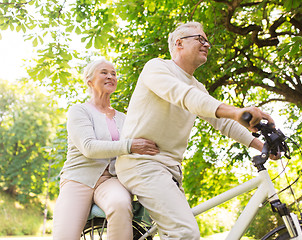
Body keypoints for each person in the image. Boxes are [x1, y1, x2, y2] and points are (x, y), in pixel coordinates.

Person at [115, 22, 277, 240]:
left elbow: (223, 122)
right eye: (200, 39)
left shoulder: (198, 87)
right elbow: (184, 96)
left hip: (169, 169)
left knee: (181, 230)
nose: (207, 44)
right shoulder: (157, 67)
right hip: (141, 164)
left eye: (207, 40)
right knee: (185, 233)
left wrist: (262, 145)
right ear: (179, 43)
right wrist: (237, 111)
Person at [53, 58, 159, 240]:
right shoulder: (79, 111)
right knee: (65, 235)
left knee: (120, 204)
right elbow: (89, 147)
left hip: (110, 180)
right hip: (78, 179)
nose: (111, 76)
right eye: (104, 72)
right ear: (89, 80)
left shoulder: (124, 118)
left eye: (114, 73)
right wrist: (130, 146)